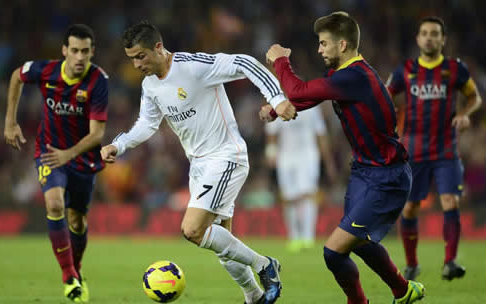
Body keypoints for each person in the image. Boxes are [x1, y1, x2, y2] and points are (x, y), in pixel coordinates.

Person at [100, 20, 295, 304]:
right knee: (223, 245)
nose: (136, 64)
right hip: (199, 166)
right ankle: (253, 296)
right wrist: (119, 144)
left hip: (226, 156)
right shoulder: (150, 86)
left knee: (192, 230)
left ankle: (265, 265)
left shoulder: (193, 66)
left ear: (158, 47)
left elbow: (245, 63)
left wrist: (276, 98)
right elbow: (147, 124)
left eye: (140, 56)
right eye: (131, 59)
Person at [261, 12, 425, 304]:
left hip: (387, 177)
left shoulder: (355, 77)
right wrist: (275, 109)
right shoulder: (342, 77)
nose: (319, 49)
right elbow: (305, 98)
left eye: (324, 43)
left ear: (344, 45)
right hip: (365, 172)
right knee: (360, 243)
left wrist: (281, 60)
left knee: (333, 251)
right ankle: (403, 290)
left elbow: (298, 90)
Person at [4, 24, 109, 303]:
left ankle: (77, 269)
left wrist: (70, 153)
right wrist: (10, 122)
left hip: (82, 157)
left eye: (85, 51)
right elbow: (16, 76)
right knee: (54, 204)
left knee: (77, 221)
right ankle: (69, 277)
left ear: (92, 52)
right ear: (64, 51)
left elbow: (97, 134)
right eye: (74, 50)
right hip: (49, 152)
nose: (79, 57)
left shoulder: (98, 80)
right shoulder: (46, 71)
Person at [386, 16, 482, 281]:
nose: (429, 37)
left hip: (445, 149)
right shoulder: (405, 70)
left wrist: (464, 113)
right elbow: (386, 94)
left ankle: (450, 262)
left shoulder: (454, 69)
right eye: (425, 33)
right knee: (410, 209)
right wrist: (388, 111)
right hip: (414, 149)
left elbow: (475, 97)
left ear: (443, 39)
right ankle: (412, 264)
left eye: (435, 33)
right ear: (418, 39)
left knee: (450, 201)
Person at [264, 105, 337, 252]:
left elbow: (320, 135)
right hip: (285, 157)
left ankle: (308, 237)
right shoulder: (279, 106)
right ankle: (294, 237)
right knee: (288, 197)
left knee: (308, 194)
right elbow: (271, 133)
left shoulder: (311, 108)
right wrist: (271, 153)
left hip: (308, 156)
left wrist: (329, 162)